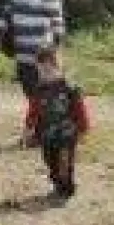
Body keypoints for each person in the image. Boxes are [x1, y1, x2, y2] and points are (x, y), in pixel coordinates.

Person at [0, 0, 67, 118]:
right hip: (21, 52)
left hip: (41, 55)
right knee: (29, 92)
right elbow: (6, 14)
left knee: (41, 94)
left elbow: (57, 22)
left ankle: (45, 126)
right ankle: (39, 125)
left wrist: (54, 48)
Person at [25, 45, 91, 200]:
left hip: (67, 134)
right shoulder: (39, 90)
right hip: (46, 134)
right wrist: (28, 127)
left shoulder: (70, 89)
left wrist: (83, 128)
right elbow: (33, 110)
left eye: (49, 71)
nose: (45, 75)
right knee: (50, 160)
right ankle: (57, 182)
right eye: (41, 71)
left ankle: (67, 187)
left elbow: (80, 109)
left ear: (59, 68)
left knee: (65, 162)